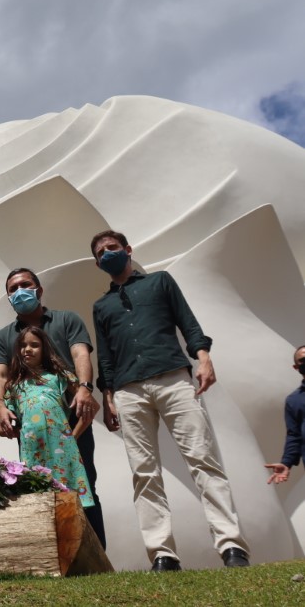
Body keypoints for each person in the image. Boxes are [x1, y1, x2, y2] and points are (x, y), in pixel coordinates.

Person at [91, 229, 250, 571]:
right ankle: (162, 553)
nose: (107, 254)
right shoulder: (101, 306)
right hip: (128, 390)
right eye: (101, 252)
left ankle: (232, 545)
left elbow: (188, 323)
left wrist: (203, 358)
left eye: (112, 248)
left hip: (173, 378)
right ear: (97, 263)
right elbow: (105, 356)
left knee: (203, 459)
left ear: (128, 250)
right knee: (144, 472)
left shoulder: (160, 282)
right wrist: (108, 395)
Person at [0, 267, 106, 547]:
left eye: (25, 285)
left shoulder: (66, 319)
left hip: (71, 421)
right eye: (12, 289)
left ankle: (96, 551)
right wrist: (1, 407)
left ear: (39, 290)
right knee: (38, 487)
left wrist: (84, 389)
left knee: (83, 482)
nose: (19, 292)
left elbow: (80, 353)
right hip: (32, 434)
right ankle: (53, 551)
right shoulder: (3, 337)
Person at [3, 327, 93, 507]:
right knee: (39, 497)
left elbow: (92, 408)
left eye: (34, 345)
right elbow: (8, 424)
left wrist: (72, 438)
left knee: (70, 498)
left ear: (44, 349)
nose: (27, 349)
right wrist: (14, 430)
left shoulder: (59, 376)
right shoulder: (13, 385)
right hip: (32, 449)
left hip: (62, 446)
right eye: (22, 345)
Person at [266, 346, 305, 485]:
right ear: (296, 367)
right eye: (303, 360)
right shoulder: (294, 400)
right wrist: (286, 463)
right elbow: (294, 435)